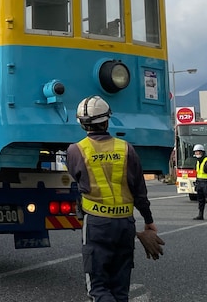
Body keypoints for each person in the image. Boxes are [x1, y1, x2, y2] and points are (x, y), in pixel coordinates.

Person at [67, 95, 162, 302]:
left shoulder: (76, 150)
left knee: (98, 288)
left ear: (82, 124)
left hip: (96, 224)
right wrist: (148, 221)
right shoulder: (126, 148)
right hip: (125, 224)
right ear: (107, 120)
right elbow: (140, 192)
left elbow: (78, 182)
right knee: (120, 289)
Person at [193, 144, 207, 220]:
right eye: (195, 152)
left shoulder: (206, 160)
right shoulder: (197, 162)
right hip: (199, 182)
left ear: (202, 152)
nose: (197, 154)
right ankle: (200, 215)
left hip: (206, 183)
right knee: (200, 200)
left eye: (198, 152)